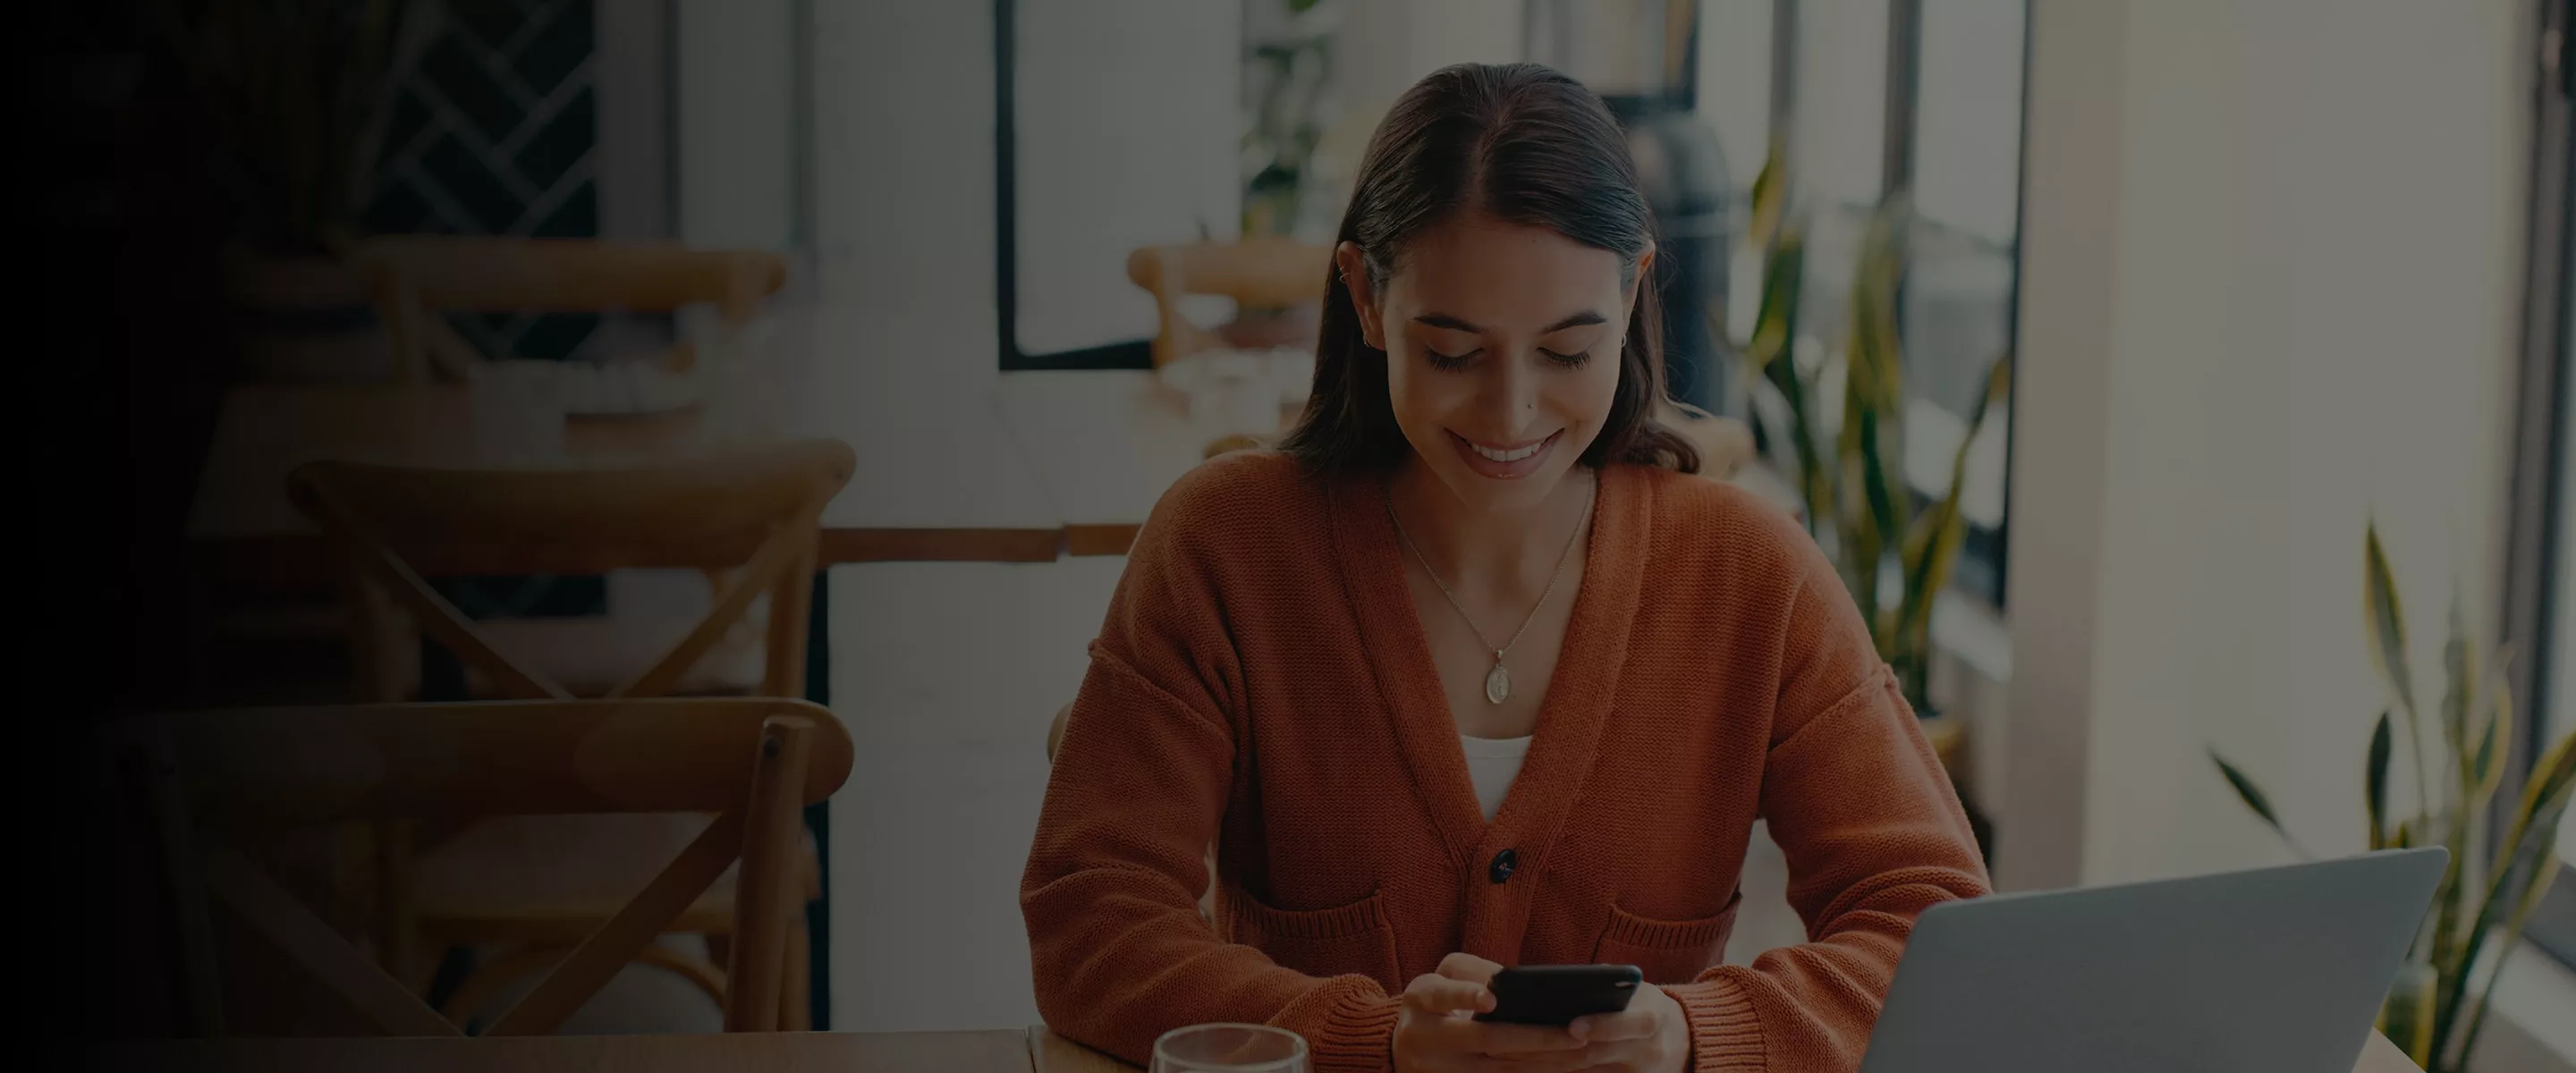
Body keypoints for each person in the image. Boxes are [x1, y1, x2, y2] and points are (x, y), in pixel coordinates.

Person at [1023, 63, 1988, 1073]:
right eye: (1453, 353)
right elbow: (1093, 918)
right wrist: (1371, 1040)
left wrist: (1690, 1031)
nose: (1512, 413)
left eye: (1567, 352)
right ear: (1365, 296)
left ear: (1632, 293)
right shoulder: (1226, 547)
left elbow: (1935, 929)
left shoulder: (1752, 576)